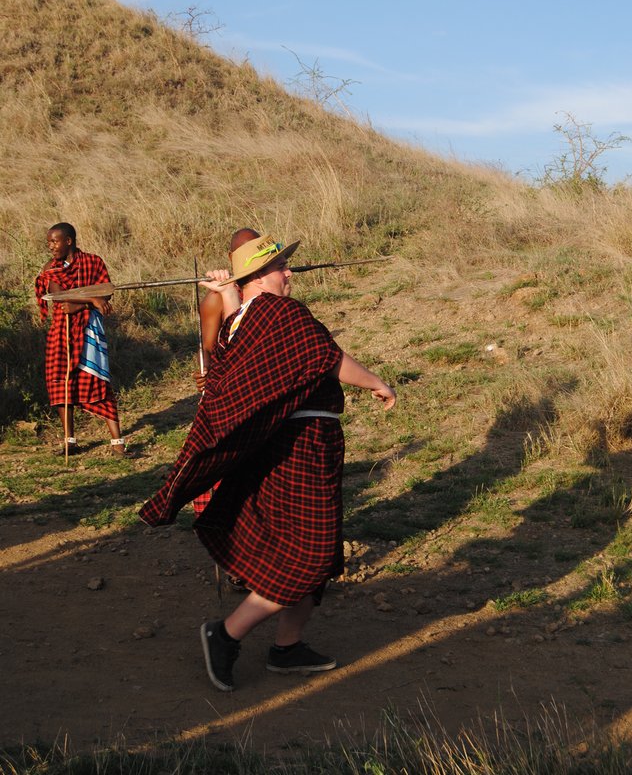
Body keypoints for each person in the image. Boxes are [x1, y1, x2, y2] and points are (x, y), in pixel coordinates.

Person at [139, 234, 396, 692]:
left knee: (313, 549)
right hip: (299, 448)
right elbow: (327, 358)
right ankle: (226, 634)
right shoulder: (280, 313)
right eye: (280, 268)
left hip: (289, 446)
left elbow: (240, 336)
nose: (289, 273)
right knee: (311, 554)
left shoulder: (243, 321)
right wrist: (376, 382)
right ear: (258, 278)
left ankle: (287, 647)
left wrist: (227, 292)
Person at [34, 223, 126, 456]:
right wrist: (91, 300)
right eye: (49, 242)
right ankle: (70, 441)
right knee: (60, 382)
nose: (51, 246)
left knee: (98, 379)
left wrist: (83, 305)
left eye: (54, 241)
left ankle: (117, 443)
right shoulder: (51, 268)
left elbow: (106, 291)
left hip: (89, 331)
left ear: (69, 241)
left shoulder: (93, 262)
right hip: (61, 331)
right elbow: (59, 296)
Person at [194, 227, 260, 392]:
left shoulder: (270, 285)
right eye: (244, 252)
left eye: (256, 250)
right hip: (232, 381)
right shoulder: (217, 298)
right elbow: (206, 347)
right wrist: (204, 370)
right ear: (231, 257)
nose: (251, 257)